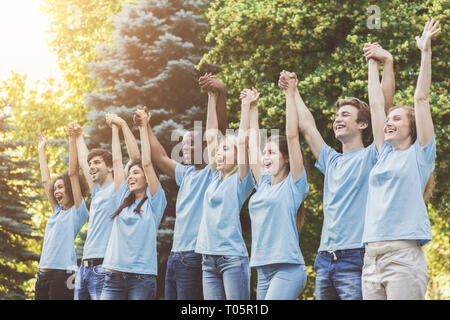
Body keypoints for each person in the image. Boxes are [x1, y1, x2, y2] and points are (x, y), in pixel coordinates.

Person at [278, 43, 394, 299]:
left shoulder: (373, 155)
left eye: (345, 115)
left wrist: (379, 64)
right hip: (324, 260)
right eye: (336, 115)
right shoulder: (331, 161)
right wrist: (294, 91)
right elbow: (307, 127)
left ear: (363, 124)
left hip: (356, 258)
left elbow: (382, 108)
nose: (337, 119)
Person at [361, 19, 440, 300]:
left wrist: (426, 52)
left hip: (403, 258)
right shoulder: (383, 154)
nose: (389, 122)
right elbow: (375, 103)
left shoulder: (420, 155)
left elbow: (421, 99)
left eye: (397, 118)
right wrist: (373, 60)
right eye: (389, 119)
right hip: (370, 259)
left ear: (412, 127)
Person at [133, 73, 228, 300]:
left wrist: (219, 94)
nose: (184, 149)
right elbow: (160, 157)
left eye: (190, 143)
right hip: (176, 257)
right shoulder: (185, 174)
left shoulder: (212, 173)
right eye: (183, 144)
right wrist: (146, 126)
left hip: (195, 257)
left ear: (205, 146)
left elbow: (219, 131)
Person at [246, 74, 309, 300]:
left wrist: (289, 95)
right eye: (265, 153)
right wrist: (253, 108)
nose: (265, 157)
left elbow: (292, 136)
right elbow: (253, 143)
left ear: (287, 158)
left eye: (271, 152)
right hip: (263, 269)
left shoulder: (294, 186)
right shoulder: (262, 184)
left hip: (288, 269)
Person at [194, 83, 255, 300]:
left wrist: (246, 106)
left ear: (238, 156)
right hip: (207, 260)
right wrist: (212, 97)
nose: (219, 153)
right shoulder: (213, 178)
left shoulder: (241, 180)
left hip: (231, 259)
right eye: (219, 151)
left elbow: (243, 140)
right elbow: (212, 136)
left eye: (225, 149)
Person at [99, 111, 167, 300]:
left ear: (147, 177)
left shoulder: (155, 202)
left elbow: (145, 162)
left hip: (141, 278)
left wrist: (143, 127)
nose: (130, 176)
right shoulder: (122, 197)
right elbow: (116, 161)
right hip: (113, 276)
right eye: (130, 174)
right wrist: (116, 127)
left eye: (136, 173)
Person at [71, 117, 140, 300]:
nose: (91, 167)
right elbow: (84, 163)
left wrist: (117, 127)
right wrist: (78, 137)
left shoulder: (118, 189)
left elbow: (125, 160)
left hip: (103, 268)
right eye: (91, 163)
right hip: (84, 269)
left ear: (109, 168)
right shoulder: (96, 191)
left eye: (97, 163)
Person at [35, 127, 89, 300]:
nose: (56, 190)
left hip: (64, 275)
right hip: (42, 275)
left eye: (60, 187)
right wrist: (41, 150)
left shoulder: (78, 212)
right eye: (55, 188)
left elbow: (73, 173)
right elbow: (45, 181)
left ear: (70, 190)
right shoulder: (57, 211)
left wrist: (72, 140)